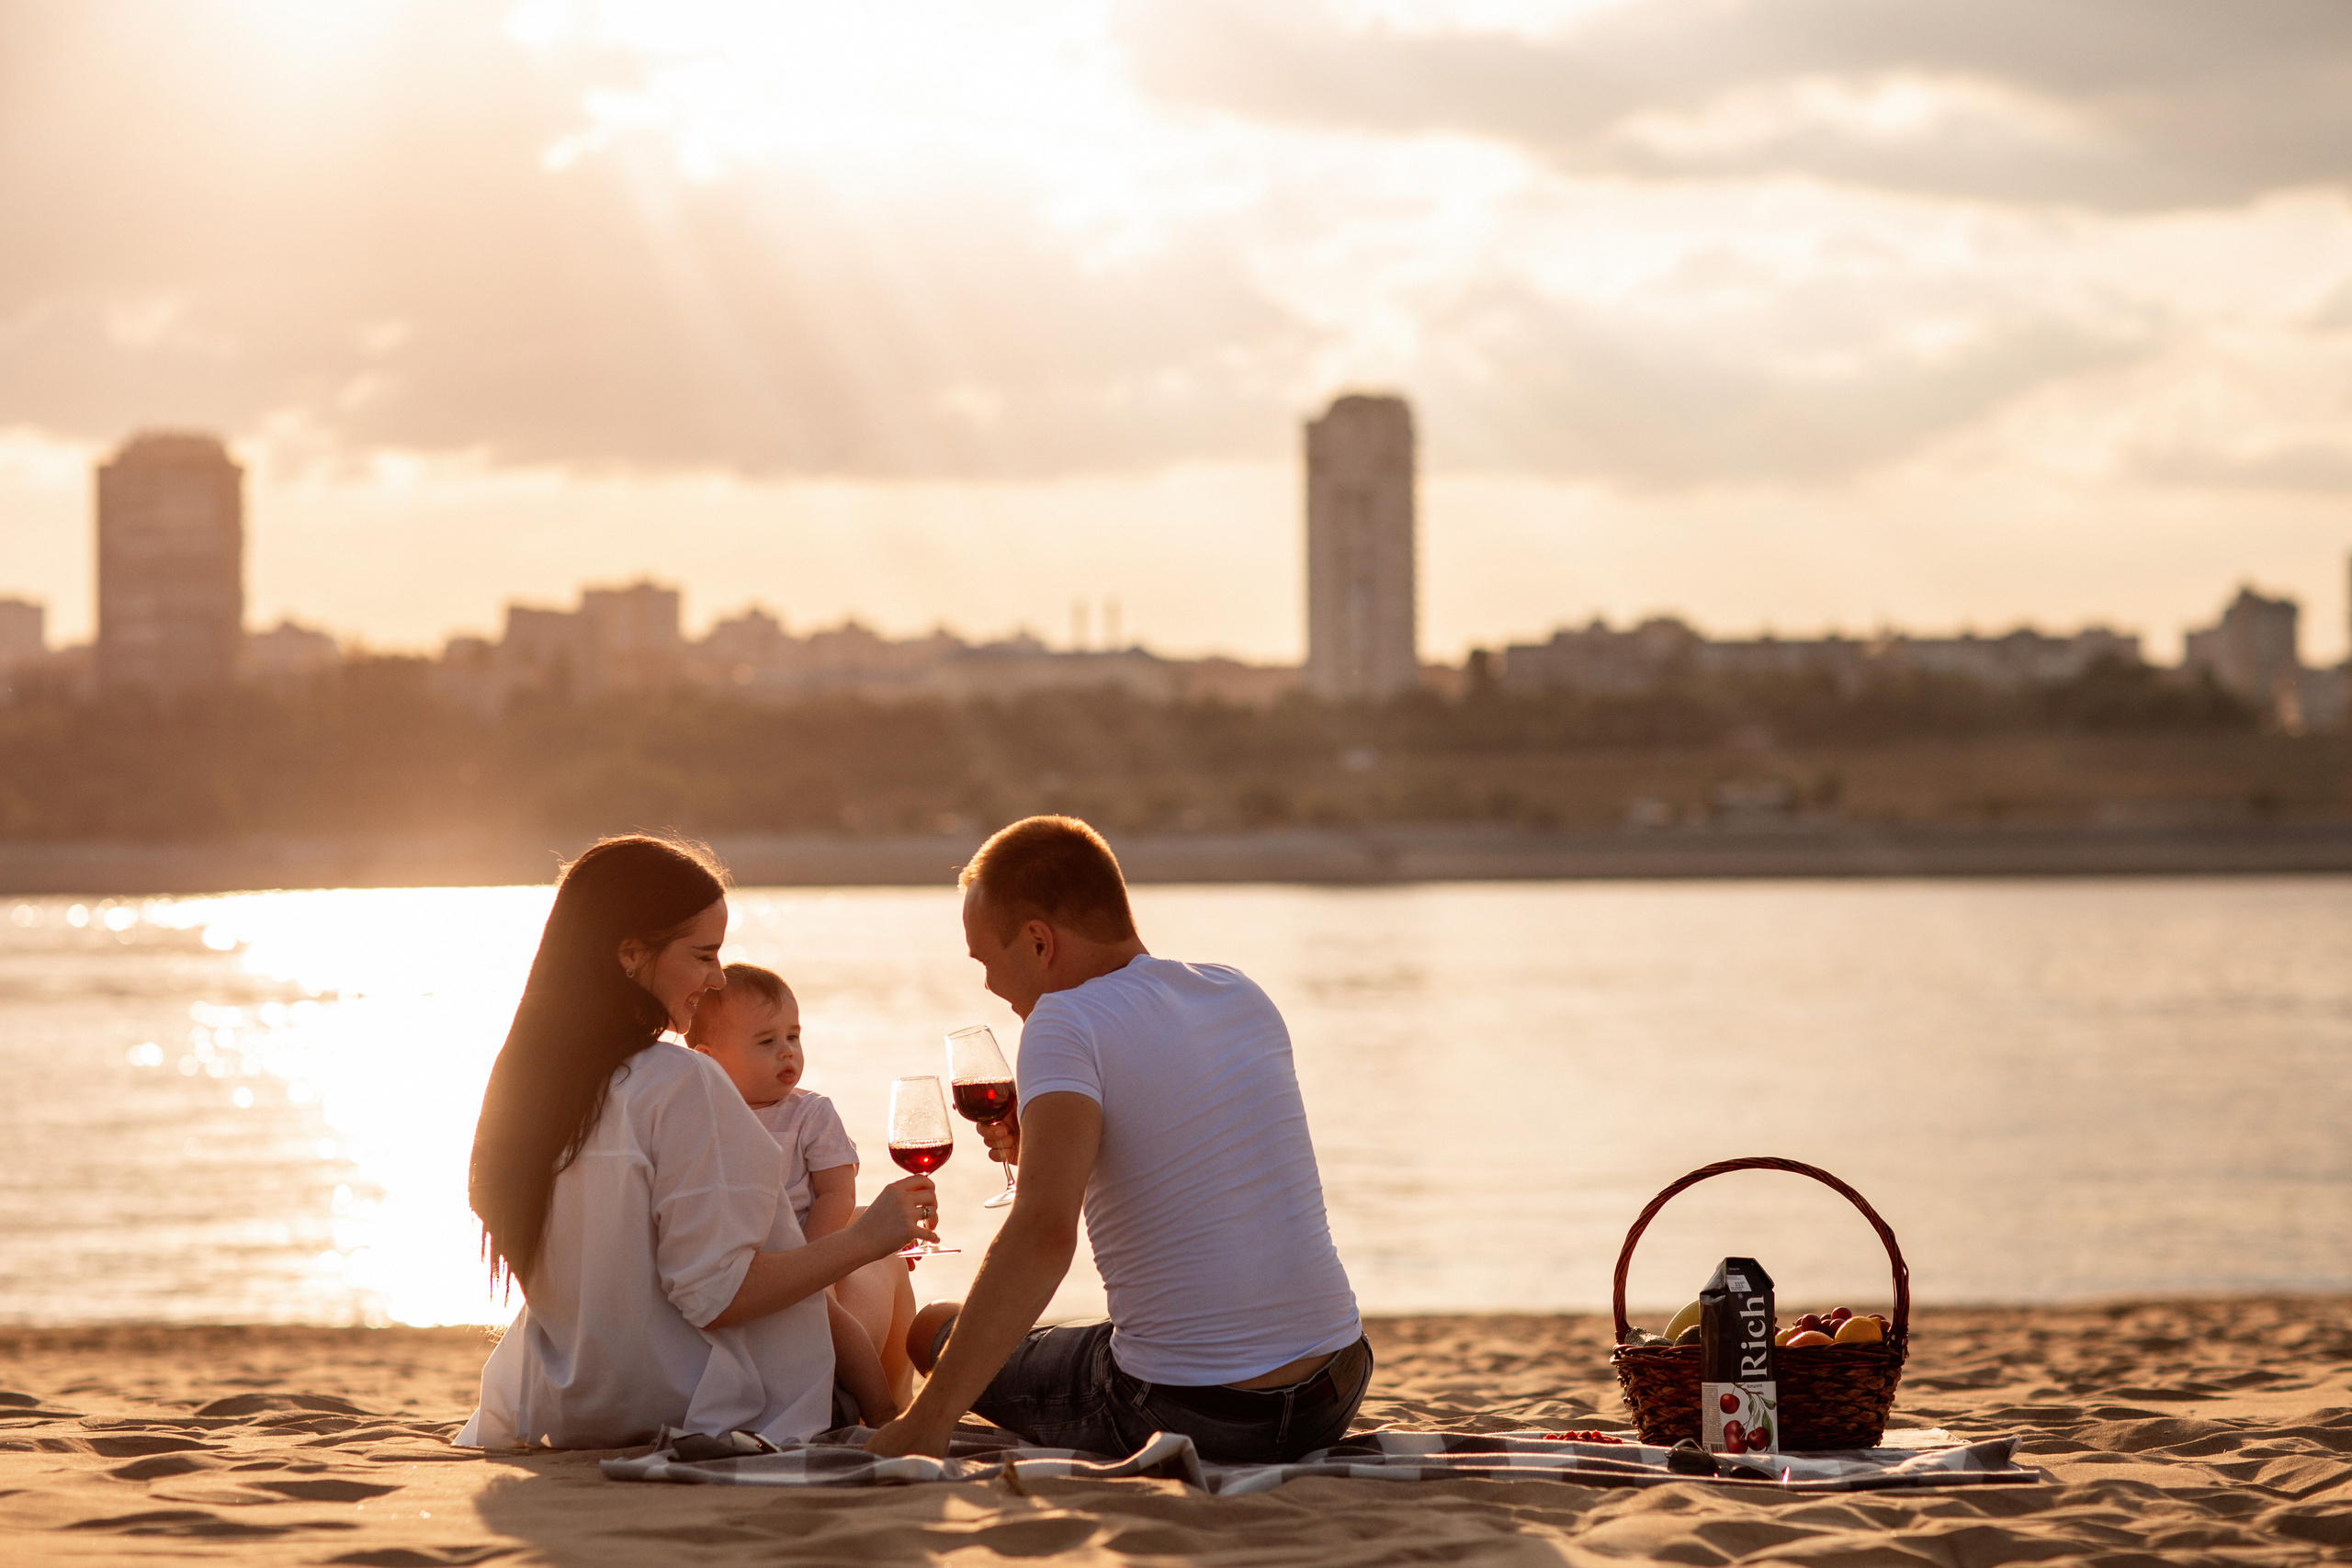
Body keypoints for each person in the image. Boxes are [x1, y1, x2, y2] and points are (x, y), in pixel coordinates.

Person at [865, 816, 1369, 1463]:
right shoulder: (1238, 991)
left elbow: (1043, 1234)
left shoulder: (1064, 1019)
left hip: (1190, 1409)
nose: (988, 984)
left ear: (1039, 942)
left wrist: (931, 1420)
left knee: (934, 1326)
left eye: (986, 959)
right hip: (1335, 1385)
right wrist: (1041, 1143)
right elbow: (1190, 1151)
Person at [454, 835, 938, 1450]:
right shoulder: (681, 1080)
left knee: (855, 1236)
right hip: (704, 1405)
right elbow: (719, 1294)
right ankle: (891, 1419)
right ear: (632, 954)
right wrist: (867, 1240)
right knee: (882, 1259)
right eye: (704, 954)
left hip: (569, 1402)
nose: (716, 978)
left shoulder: (529, 1086)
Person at [687, 961, 920, 1414]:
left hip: (806, 1247)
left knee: (832, 1317)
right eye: (766, 1042)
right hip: (745, 1261)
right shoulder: (703, 1120)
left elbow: (838, 1192)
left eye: (793, 1037)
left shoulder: (810, 1113)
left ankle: (882, 1409)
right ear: (710, 1060)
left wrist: (812, 1257)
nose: (787, 1053)